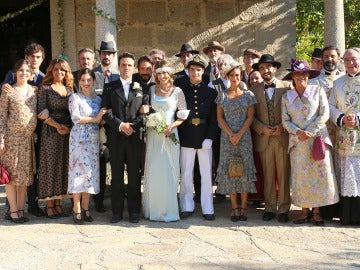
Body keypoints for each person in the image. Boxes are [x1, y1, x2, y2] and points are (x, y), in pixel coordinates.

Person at [282, 60, 339, 226]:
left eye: (303, 74)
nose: (300, 77)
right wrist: (298, 132)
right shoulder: (287, 97)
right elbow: (285, 120)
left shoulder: (318, 91)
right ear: (292, 76)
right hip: (298, 142)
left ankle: (317, 212)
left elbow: (325, 114)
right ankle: (304, 211)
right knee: (302, 177)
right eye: (297, 74)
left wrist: (310, 131)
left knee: (318, 176)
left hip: (317, 140)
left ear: (308, 75)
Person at [102, 52, 149, 223]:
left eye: (129, 65)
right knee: (116, 177)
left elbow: (146, 113)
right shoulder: (110, 87)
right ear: (118, 66)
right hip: (116, 138)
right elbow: (105, 113)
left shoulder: (142, 88)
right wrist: (121, 125)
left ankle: (134, 211)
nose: (126, 68)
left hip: (135, 138)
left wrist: (133, 126)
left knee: (135, 177)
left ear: (134, 67)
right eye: (123, 65)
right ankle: (117, 212)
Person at [1, 43, 46, 218]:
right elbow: (3, 106)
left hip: (33, 135)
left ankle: (30, 205)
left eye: (38, 57)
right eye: (31, 56)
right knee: (12, 173)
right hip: (13, 136)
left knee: (28, 172)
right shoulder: (11, 79)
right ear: (26, 58)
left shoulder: (42, 81)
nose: (34, 60)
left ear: (42, 59)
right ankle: (11, 209)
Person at [142, 60, 189, 222]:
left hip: (170, 133)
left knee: (170, 170)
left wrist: (172, 126)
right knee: (154, 170)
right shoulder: (152, 89)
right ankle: (153, 209)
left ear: (170, 74)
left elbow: (183, 113)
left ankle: (168, 209)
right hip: (154, 134)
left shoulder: (178, 91)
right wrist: (149, 118)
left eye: (165, 72)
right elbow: (147, 110)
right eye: (159, 73)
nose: (162, 76)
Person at [251, 54, 292, 223]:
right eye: (262, 68)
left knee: (283, 174)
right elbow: (250, 117)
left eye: (268, 67)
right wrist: (261, 128)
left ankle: (283, 209)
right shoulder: (253, 91)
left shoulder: (288, 87)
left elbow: (294, 111)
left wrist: (283, 127)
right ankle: (269, 207)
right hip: (264, 137)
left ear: (275, 68)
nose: (265, 70)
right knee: (268, 174)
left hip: (282, 135)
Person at [215, 61, 257, 222]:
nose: (234, 78)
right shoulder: (222, 95)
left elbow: (250, 117)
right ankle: (234, 207)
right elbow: (219, 117)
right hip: (227, 138)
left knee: (244, 170)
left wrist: (239, 134)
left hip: (244, 137)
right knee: (230, 170)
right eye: (231, 75)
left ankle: (243, 207)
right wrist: (231, 134)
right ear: (227, 76)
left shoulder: (248, 95)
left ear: (241, 76)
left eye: (237, 75)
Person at [178, 54, 218, 221]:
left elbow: (214, 118)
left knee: (206, 173)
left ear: (203, 71)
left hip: (204, 136)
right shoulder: (180, 90)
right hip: (187, 134)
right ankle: (187, 205)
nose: (195, 73)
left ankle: (208, 207)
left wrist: (210, 137)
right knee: (186, 173)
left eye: (199, 70)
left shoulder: (210, 92)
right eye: (192, 69)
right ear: (188, 70)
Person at [0, 60, 38, 223]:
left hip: (27, 140)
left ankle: (21, 210)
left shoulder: (34, 91)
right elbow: (1, 116)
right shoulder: (8, 91)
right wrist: (1, 139)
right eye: (20, 70)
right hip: (11, 139)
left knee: (24, 177)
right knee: (11, 177)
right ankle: (13, 211)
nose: (23, 73)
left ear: (31, 74)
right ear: (15, 72)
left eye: (26, 71)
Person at [68, 68, 106, 224]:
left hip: (93, 139)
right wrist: (96, 118)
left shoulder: (98, 100)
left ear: (93, 81)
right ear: (78, 82)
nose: (86, 83)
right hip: (78, 139)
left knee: (90, 173)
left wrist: (103, 118)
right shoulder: (74, 97)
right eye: (82, 80)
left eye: (88, 80)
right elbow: (76, 118)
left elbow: (101, 120)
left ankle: (86, 206)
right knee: (78, 172)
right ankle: (76, 207)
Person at [37, 58, 73, 219]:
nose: (59, 72)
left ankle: (58, 204)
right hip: (51, 132)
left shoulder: (70, 90)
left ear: (67, 72)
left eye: (62, 69)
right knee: (51, 166)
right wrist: (57, 126)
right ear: (51, 71)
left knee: (62, 167)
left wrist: (69, 128)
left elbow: (74, 113)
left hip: (67, 133)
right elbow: (41, 112)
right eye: (56, 69)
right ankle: (49, 205)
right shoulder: (45, 89)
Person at [329, 48, 360, 225]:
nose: (350, 63)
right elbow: (330, 106)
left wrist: (357, 118)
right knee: (348, 176)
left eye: (354, 59)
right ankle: (348, 216)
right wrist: (341, 118)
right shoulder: (338, 83)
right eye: (346, 60)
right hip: (345, 140)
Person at [247, 69, 265, 202]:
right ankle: (254, 194)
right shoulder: (246, 94)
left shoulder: (266, 92)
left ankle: (267, 193)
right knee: (254, 164)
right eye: (251, 79)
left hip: (265, 132)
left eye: (256, 78)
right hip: (251, 132)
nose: (254, 81)